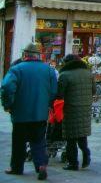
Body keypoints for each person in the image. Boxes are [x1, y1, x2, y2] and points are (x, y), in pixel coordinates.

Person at [1, 44, 57, 181]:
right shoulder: (48, 70)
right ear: (39, 55)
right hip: (40, 113)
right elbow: (54, 91)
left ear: (25, 54)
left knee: (19, 141)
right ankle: (41, 165)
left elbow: (7, 88)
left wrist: (8, 105)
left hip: (20, 114)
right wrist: (47, 104)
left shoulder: (16, 69)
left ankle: (17, 167)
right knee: (38, 140)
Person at [57, 54, 95, 171]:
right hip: (85, 107)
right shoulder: (88, 73)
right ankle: (86, 153)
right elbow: (93, 90)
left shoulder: (64, 75)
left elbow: (59, 94)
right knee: (82, 133)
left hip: (71, 108)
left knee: (71, 137)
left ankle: (73, 163)